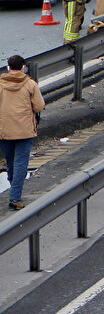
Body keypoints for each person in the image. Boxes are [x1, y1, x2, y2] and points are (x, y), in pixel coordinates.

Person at [0, 55, 44, 210]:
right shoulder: (30, 84)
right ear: (23, 67)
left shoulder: (0, 84)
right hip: (25, 130)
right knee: (20, 164)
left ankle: (14, 189)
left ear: (8, 67)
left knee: (10, 162)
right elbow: (38, 107)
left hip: (4, 130)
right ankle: (15, 197)